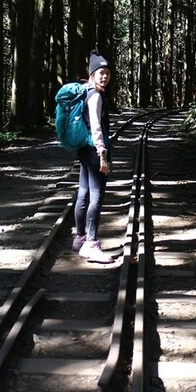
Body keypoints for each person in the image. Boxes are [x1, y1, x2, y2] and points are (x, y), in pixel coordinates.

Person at [73, 50, 113, 263]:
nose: (104, 76)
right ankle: (90, 242)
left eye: (107, 72)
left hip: (84, 150)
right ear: (92, 75)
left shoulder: (87, 92)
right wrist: (102, 153)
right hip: (94, 150)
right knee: (95, 197)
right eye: (100, 72)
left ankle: (80, 238)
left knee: (83, 193)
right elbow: (96, 126)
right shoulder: (95, 96)